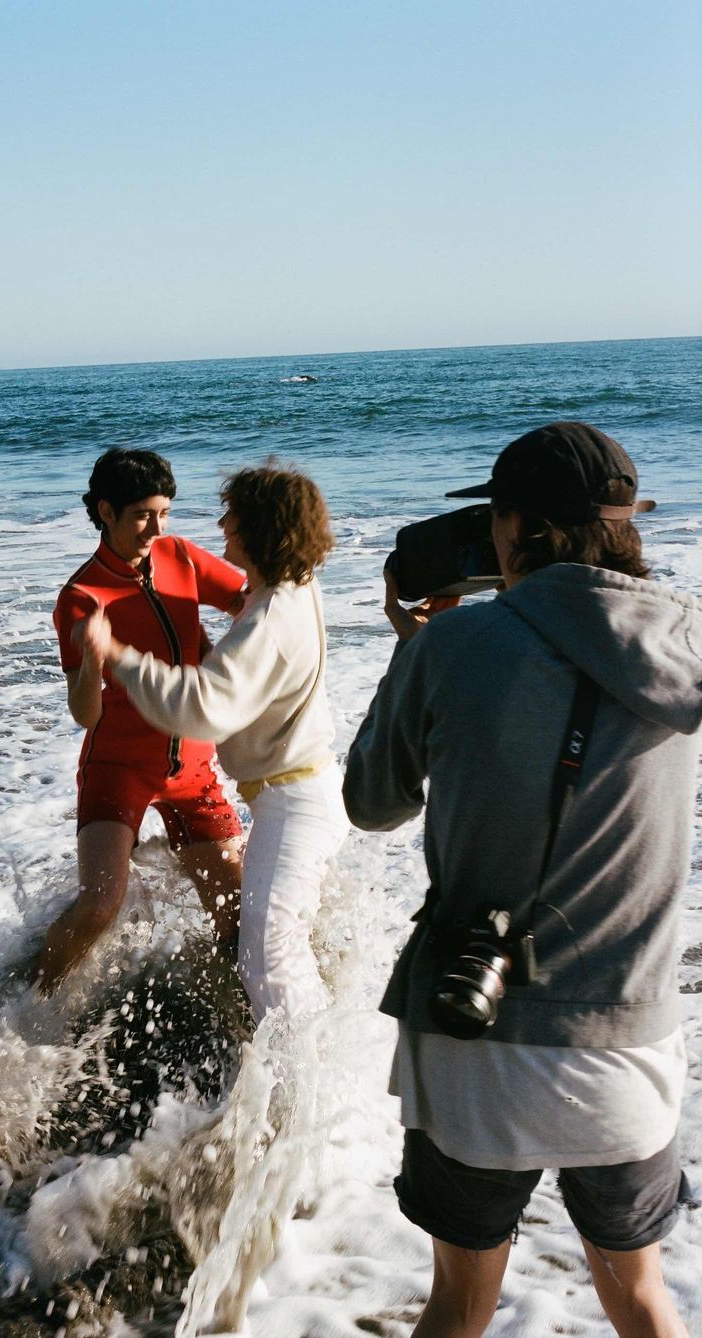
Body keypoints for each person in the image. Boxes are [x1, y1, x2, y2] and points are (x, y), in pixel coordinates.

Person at [343, 422, 700, 1338]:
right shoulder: (690, 645)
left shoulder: (449, 648)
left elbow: (371, 804)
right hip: (627, 1049)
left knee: (460, 1305)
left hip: (478, 1035)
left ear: (512, 529)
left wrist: (411, 654)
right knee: (642, 1300)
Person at [81, 465, 348, 1023]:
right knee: (270, 949)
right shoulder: (291, 588)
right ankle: (278, 1067)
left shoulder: (268, 615)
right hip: (293, 790)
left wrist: (121, 656)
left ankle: (310, 1090)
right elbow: (243, 650)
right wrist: (201, 647)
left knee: (269, 958)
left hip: (290, 797)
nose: (221, 525)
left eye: (234, 516)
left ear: (259, 529)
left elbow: (201, 707)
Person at [36, 448, 246, 992]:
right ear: (106, 512)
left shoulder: (182, 556)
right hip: (119, 765)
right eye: (142, 515)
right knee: (101, 905)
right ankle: (23, 1006)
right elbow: (85, 713)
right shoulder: (82, 596)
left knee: (238, 908)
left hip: (193, 766)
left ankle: (233, 1011)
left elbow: (253, 604)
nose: (156, 527)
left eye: (165, 513)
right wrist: (92, 661)